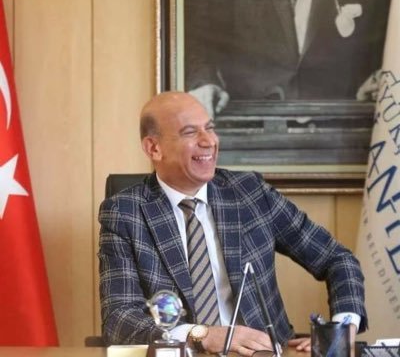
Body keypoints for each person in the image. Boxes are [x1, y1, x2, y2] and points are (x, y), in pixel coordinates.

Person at [98, 91, 367, 354]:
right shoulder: (125, 213)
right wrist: (202, 334)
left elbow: (336, 258)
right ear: (154, 148)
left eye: (210, 128)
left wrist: (342, 328)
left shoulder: (250, 192)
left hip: (265, 352)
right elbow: (119, 318)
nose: (209, 141)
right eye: (190, 132)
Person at [184, 0, 396, 117]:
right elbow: (199, 41)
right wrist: (204, 83)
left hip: (338, 125)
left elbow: (379, 47)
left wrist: (374, 81)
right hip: (251, 124)